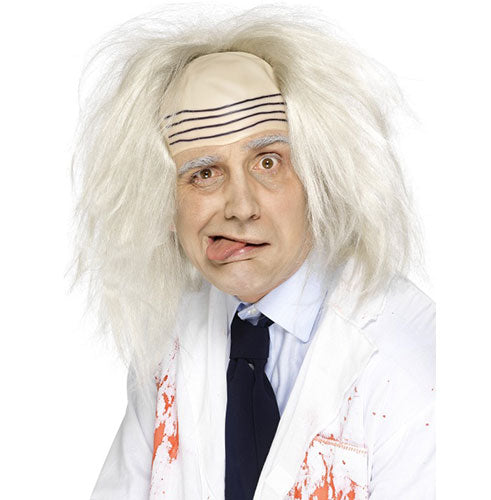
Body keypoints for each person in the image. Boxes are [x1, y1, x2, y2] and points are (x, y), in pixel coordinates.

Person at [72, 6, 435, 499]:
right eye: (204, 173)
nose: (240, 207)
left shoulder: (414, 369)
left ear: (320, 173)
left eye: (267, 162)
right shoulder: (168, 341)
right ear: (160, 200)